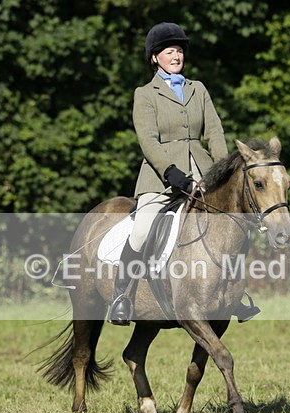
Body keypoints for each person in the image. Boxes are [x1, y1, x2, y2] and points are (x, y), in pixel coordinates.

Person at [107, 22, 260, 325]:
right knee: (142, 228)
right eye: (169, 51)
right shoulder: (145, 94)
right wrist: (170, 171)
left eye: (179, 50)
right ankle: (121, 296)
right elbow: (148, 140)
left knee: (232, 224)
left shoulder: (197, 89)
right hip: (160, 178)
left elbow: (214, 131)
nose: (176, 56)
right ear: (155, 57)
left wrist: (223, 169)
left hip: (203, 174)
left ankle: (232, 295)